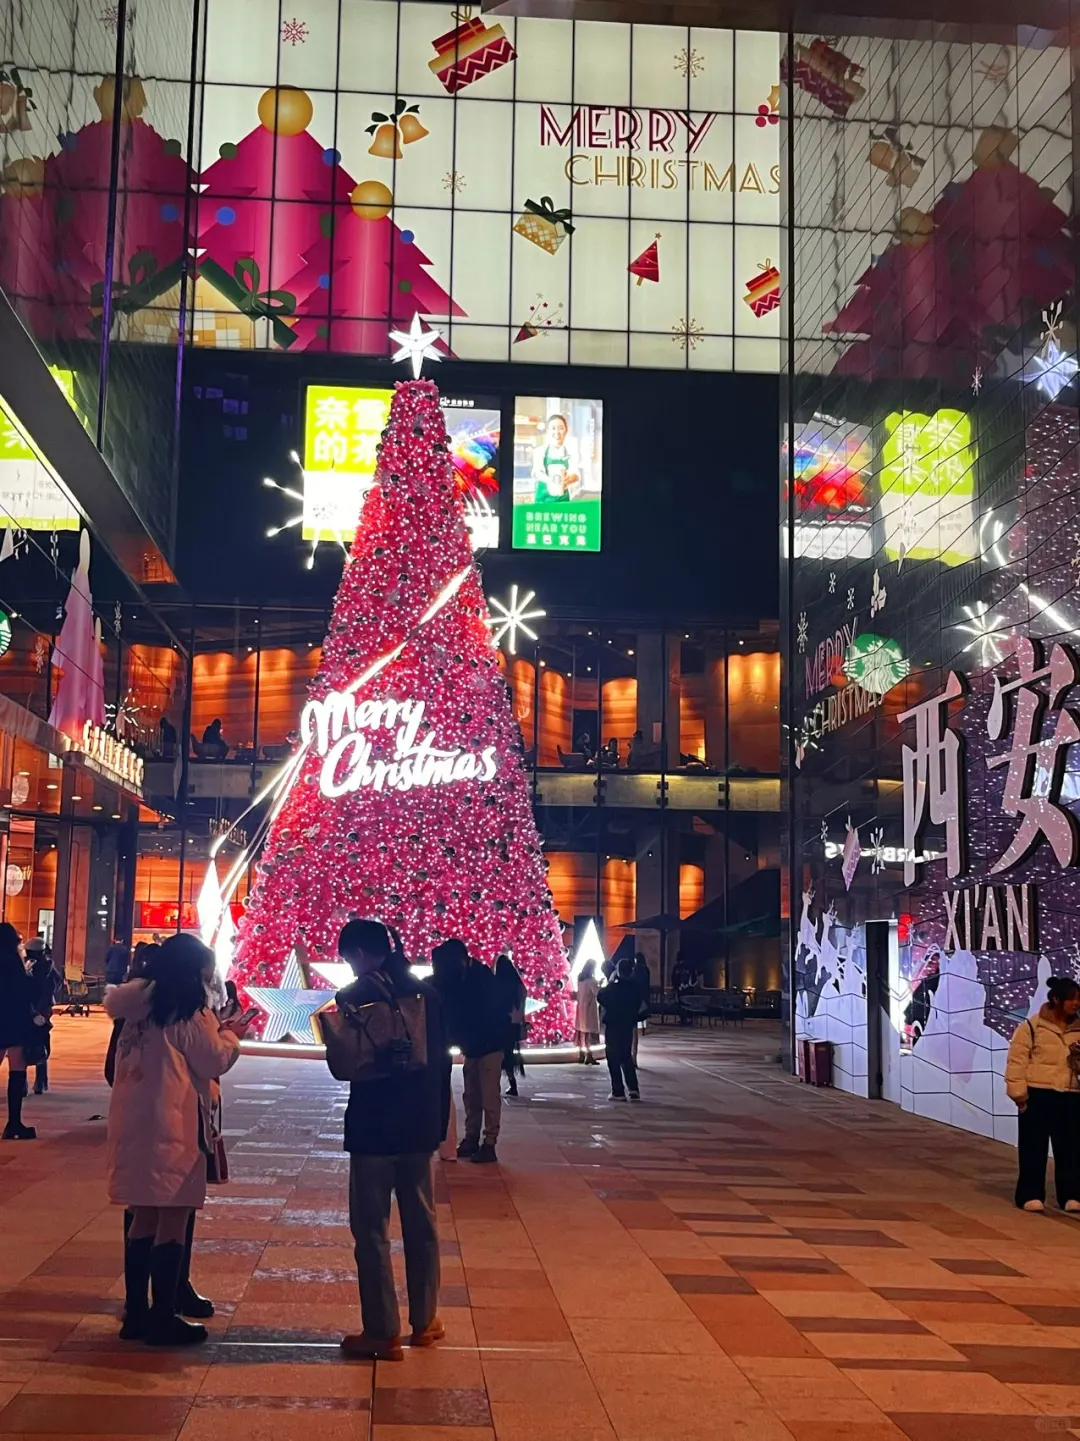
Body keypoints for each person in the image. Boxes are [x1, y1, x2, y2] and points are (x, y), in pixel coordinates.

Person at [105, 934, 245, 1345]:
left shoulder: (135, 1010)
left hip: (133, 1123)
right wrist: (231, 1034)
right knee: (172, 1215)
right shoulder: (187, 1013)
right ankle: (163, 1315)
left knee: (143, 1214)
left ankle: (136, 1312)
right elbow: (214, 1059)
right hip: (172, 1124)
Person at [336, 919, 449, 1361]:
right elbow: (442, 1065)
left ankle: (382, 1330)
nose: (350, 967)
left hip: (373, 1127)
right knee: (422, 1224)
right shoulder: (430, 995)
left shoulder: (355, 997)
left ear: (362, 954)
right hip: (419, 1126)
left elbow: (346, 1062)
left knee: (371, 1230)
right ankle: (425, 1322)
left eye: (349, 958)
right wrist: (438, 1124)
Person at [1006, 975, 1080, 1214]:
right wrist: (1018, 1093)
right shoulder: (1032, 1026)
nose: (1076, 1004)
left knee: (1070, 1149)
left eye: (1078, 999)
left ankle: (1071, 1195)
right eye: (1071, 999)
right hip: (1037, 1094)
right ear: (1056, 999)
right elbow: (1017, 1060)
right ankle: (1030, 1194)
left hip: (1070, 1094)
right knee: (1033, 1147)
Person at [433, 938, 504, 1163]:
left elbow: (486, 1012)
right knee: (471, 1095)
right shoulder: (460, 976)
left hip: (490, 1044)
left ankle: (489, 1143)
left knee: (489, 1096)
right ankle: (471, 1137)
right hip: (472, 1046)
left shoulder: (482, 978)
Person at [0, 923, 36, 1140]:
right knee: (17, 1069)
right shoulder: (13, 962)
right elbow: (24, 991)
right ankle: (14, 1123)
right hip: (14, 1021)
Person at [429, 944, 462, 1162]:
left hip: (432, 1048)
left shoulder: (430, 988)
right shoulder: (458, 986)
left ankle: (438, 1144)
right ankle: (447, 1148)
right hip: (442, 1049)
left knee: (437, 1096)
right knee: (444, 1097)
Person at [599, 957, 643, 1102]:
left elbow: (601, 996)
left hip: (613, 1025)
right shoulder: (635, 988)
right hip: (627, 1025)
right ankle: (633, 1089)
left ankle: (618, 1091)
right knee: (626, 1056)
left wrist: (612, 981)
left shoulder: (614, 987)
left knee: (613, 1058)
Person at [26, 938, 59, 1094]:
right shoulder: (48, 966)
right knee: (40, 1042)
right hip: (42, 1008)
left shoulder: (30, 966)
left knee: (28, 1043)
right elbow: (57, 981)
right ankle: (40, 1080)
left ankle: (34, 1080)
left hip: (33, 1008)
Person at [494, 954, 527, 1097]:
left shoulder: (498, 984)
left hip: (501, 1023)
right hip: (515, 1024)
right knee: (509, 1053)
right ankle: (512, 1082)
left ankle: (497, 1083)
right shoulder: (519, 986)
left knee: (498, 1054)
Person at [530, 412, 582, 503]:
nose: (557, 432)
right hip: (542, 500)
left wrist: (569, 479)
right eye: (553, 428)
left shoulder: (570, 452)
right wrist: (551, 481)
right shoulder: (540, 451)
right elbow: (536, 472)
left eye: (561, 428)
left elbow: (576, 473)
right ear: (548, 431)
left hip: (562, 499)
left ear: (566, 430)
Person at [574, 959, 601, 1065]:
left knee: (581, 1031)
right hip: (589, 1009)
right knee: (588, 1032)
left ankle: (581, 1054)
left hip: (580, 1007)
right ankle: (589, 1055)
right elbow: (596, 992)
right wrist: (599, 985)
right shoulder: (591, 981)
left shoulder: (580, 979)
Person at [631, 952, 651, 1062]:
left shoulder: (636, 970)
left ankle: (632, 1056)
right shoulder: (646, 970)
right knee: (635, 1029)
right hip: (643, 1000)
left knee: (632, 1029)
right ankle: (634, 1056)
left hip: (634, 1000)